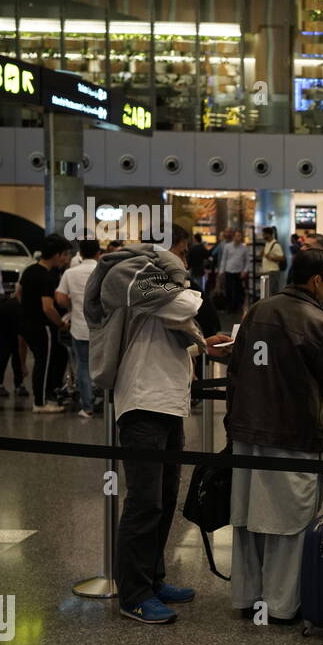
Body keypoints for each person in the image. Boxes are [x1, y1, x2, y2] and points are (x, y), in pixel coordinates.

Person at [85, 224, 232, 624]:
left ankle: (152, 578)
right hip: (143, 403)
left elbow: (179, 323)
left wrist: (205, 343)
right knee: (144, 501)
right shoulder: (128, 276)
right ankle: (133, 594)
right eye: (182, 252)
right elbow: (185, 307)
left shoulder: (158, 287)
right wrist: (183, 282)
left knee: (165, 498)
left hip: (168, 403)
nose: (185, 261)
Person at [224, 248, 323, 625]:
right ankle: (280, 606)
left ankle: (246, 598)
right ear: (316, 280)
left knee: (247, 520)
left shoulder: (258, 311)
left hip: (247, 432)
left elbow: (237, 369)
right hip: (293, 435)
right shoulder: (319, 323)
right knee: (290, 524)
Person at [17, 235, 73, 413]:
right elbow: (48, 308)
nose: (66, 259)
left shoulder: (29, 270)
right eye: (64, 254)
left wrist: (29, 308)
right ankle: (40, 403)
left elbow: (19, 293)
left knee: (42, 362)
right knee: (44, 363)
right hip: (42, 327)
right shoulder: (47, 277)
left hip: (26, 323)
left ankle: (44, 397)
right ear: (56, 254)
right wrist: (61, 324)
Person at [55, 238, 101, 418]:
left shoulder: (70, 273)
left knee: (82, 365)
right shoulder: (103, 272)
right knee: (103, 365)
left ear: (80, 253)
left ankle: (87, 407)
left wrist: (72, 306)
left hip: (80, 327)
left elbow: (59, 297)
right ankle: (106, 402)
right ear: (99, 253)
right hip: (102, 328)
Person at [217, 231, 250, 314]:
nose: (238, 238)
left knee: (238, 291)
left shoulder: (244, 248)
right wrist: (221, 271)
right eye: (237, 236)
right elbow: (224, 259)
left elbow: (247, 261)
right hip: (229, 270)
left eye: (240, 236)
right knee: (228, 290)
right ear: (234, 237)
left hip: (239, 272)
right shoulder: (227, 247)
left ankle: (238, 307)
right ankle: (229, 308)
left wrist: (245, 271)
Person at [260, 226, 286, 295]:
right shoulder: (267, 243)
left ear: (268, 234)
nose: (263, 236)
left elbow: (282, 258)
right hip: (266, 271)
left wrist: (268, 256)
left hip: (272, 272)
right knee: (267, 292)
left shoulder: (276, 245)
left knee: (272, 292)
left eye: (264, 234)